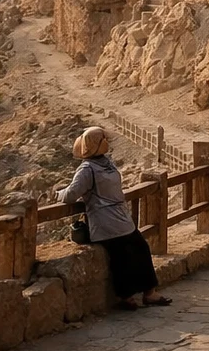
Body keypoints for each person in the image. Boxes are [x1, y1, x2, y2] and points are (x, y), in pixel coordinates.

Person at [58, 127, 171, 310]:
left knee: (129, 253)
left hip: (108, 221)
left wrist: (58, 194)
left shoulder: (88, 168)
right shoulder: (103, 165)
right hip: (116, 220)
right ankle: (140, 295)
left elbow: (70, 194)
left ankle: (135, 295)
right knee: (131, 251)